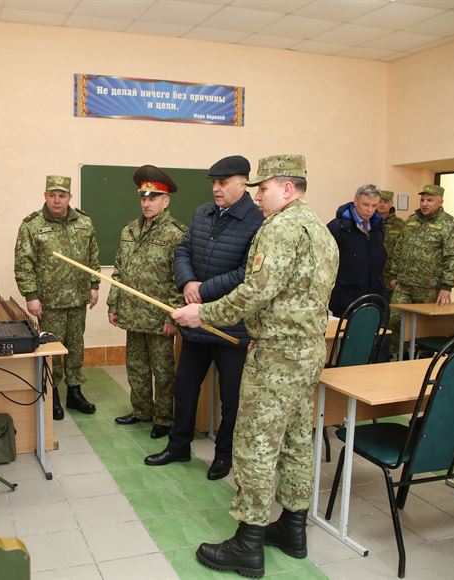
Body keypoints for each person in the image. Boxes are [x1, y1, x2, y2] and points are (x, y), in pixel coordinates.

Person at [171, 154, 338, 578]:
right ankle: (293, 528)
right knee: (299, 438)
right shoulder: (320, 230)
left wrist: (202, 314)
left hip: (277, 357)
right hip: (307, 353)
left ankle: (248, 543)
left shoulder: (279, 229)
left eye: (262, 189)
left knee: (256, 445)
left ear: (286, 188)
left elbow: (254, 293)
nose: (257, 196)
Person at [144, 155, 263, 481]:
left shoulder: (258, 221)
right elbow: (183, 250)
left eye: (223, 182)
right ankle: (178, 445)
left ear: (242, 182)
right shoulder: (202, 212)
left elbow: (246, 274)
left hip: (231, 327)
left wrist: (204, 289)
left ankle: (224, 455)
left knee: (231, 398)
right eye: (213, 182)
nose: (216, 188)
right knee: (184, 389)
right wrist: (188, 283)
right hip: (196, 327)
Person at [108, 165, 188, 439]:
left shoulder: (177, 234)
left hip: (159, 317)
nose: (146, 202)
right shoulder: (129, 230)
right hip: (132, 313)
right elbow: (118, 270)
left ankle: (164, 418)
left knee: (163, 372)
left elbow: (181, 278)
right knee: (136, 367)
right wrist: (113, 304)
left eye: (153, 198)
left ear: (166, 201)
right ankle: (142, 410)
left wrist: (173, 316)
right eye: (143, 197)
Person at [14, 175, 100, 420]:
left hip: (78, 298)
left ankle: (75, 392)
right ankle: (51, 394)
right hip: (49, 302)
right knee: (51, 349)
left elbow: (93, 256)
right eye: (52, 195)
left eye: (62, 196)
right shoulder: (32, 225)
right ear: (45, 196)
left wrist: (94, 285)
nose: (57, 200)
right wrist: (31, 296)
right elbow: (23, 263)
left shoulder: (84, 222)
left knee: (76, 347)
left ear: (70, 197)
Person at [387, 184, 454, 354]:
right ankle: (395, 357)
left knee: (425, 329)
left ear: (440, 201)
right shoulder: (411, 221)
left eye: (430, 200)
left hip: (431, 288)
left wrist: (446, 287)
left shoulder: (449, 225)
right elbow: (399, 248)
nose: (425, 203)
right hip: (404, 285)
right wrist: (394, 274)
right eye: (422, 199)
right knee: (394, 322)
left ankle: (422, 361)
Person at [326, 184, 387, 316]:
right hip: (346, 297)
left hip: (373, 294)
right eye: (366, 205)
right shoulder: (337, 227)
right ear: (355, 201)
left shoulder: (378, 227)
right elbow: (326, 263)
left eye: (374, 206)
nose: (370, 210)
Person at [377, 189, 405, 294]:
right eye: (380, 201)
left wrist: (396, 275)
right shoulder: (368, 222)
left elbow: (403, 250)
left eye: (385, 202)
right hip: (373, 273)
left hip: (390, 275)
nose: (382, 205)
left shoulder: (401, 225)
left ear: (391, 203)